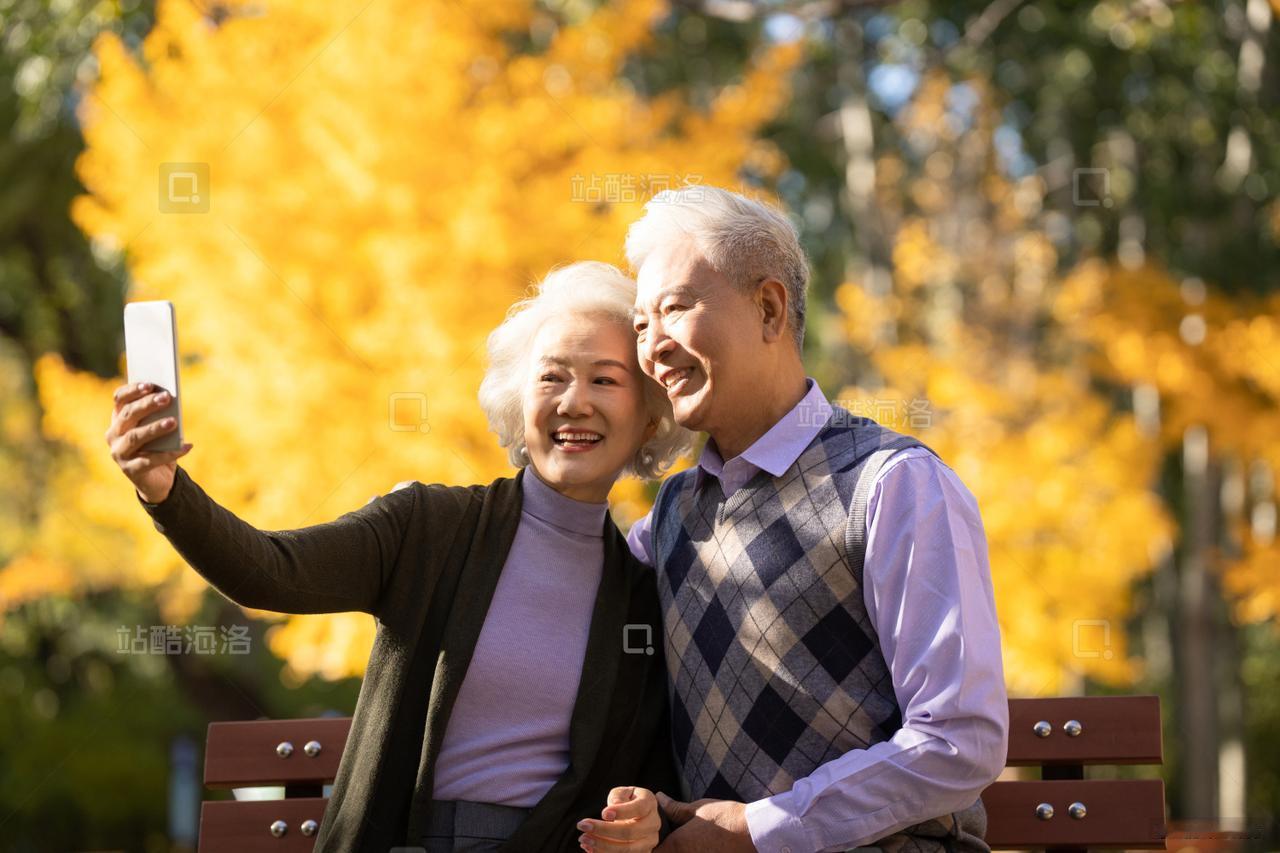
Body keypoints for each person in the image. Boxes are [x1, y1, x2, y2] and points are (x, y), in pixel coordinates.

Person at [106, 262, 693, 852]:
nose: (574, 402)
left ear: (648, 417)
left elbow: (651, 775)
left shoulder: (647, 593)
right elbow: (270, 572)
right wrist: (166, 491)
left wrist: (647, 817)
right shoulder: (428, 527)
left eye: (605, 381)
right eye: (552, 378)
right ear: (519, 403)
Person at [584, 186, 1009, 853]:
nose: (653, 347)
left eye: (674, 309)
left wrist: (758, 830)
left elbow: (959, 741)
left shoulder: (893, 484)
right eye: (641, 325)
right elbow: (564, 576)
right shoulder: (668, 516)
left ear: (770, 309)